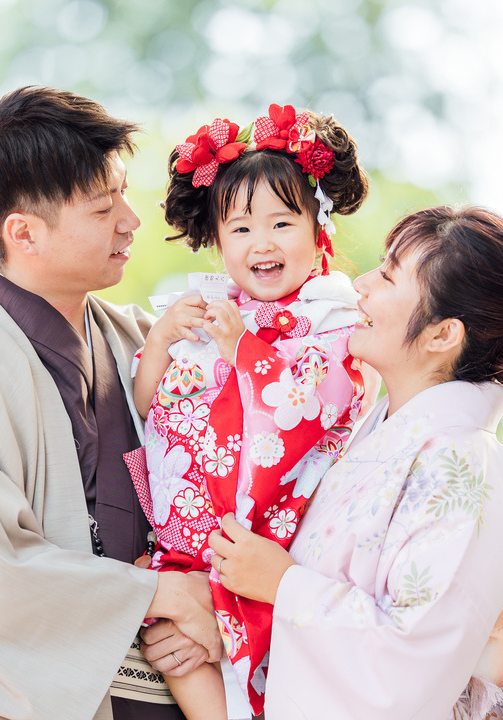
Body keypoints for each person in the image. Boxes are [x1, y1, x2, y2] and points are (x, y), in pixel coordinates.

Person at [0, 86, 221, 720]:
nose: (131, 220)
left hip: (176, 684)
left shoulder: (141, 340)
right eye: (103, 207)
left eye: (124, 195)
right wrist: (164, 594)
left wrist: (212, 604)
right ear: (24, 233)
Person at [204, 205, 503, 718]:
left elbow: (411, 666)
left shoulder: (464, 465)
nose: (361, 284)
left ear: (443, 334)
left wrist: (283, 585)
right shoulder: (377, 431)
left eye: (389, 276)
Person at [126, 104, 378, 718]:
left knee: (263, 667)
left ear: (319, 228)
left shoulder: (332, 316)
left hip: (271, 533)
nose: (261, 243)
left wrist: (243, 347)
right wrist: (161, 340)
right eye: (240, 229)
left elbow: (315, 405)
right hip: (188, 533)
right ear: (217, 241)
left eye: (282, 223)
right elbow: (147, 406)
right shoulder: (206, 311)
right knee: (172, 637)